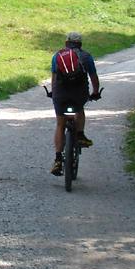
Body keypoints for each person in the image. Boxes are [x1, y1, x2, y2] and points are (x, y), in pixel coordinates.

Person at [46, 31, 100, 176]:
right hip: (79, 94)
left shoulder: (57, 56)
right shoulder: (86, 56)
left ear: (66, 43)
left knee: (60, 124)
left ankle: (58, 159)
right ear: (80, 44)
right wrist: (95, 92)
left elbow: (54, 78)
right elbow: (93, 77)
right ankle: (80, 135)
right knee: (79, 109)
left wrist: (53, 93)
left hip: (61, 94)